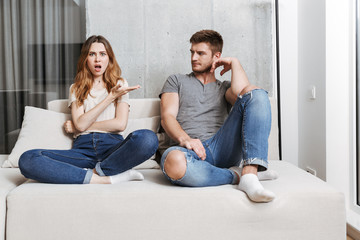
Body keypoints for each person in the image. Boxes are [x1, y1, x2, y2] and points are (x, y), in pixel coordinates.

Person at [19, 35, 158, 184]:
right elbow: (80, 125)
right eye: (92, 54)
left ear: (109, 59)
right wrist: (109, 98)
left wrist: (78, 126)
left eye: (102, 54)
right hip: (82, 152)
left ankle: (96, 171)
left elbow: (119, 124)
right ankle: (103, 178)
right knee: (28, 159)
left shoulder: (119, 83)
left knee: (148, 139)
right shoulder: (76, 88)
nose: (97, 59)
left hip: (113, 149)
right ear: (85, 59)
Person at [159, 29, 277, 202]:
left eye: (200, 53)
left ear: (216, 56)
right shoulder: (176, 80)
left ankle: (250, 173)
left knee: (257, 93)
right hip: (189, 151)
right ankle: (238, 176)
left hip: (222, 147)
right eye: (192, 52)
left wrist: (235, 63)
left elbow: (245, 96)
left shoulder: (224, 88)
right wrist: (185, 139)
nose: (193, 58)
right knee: (174, 162)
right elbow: (167, 116)